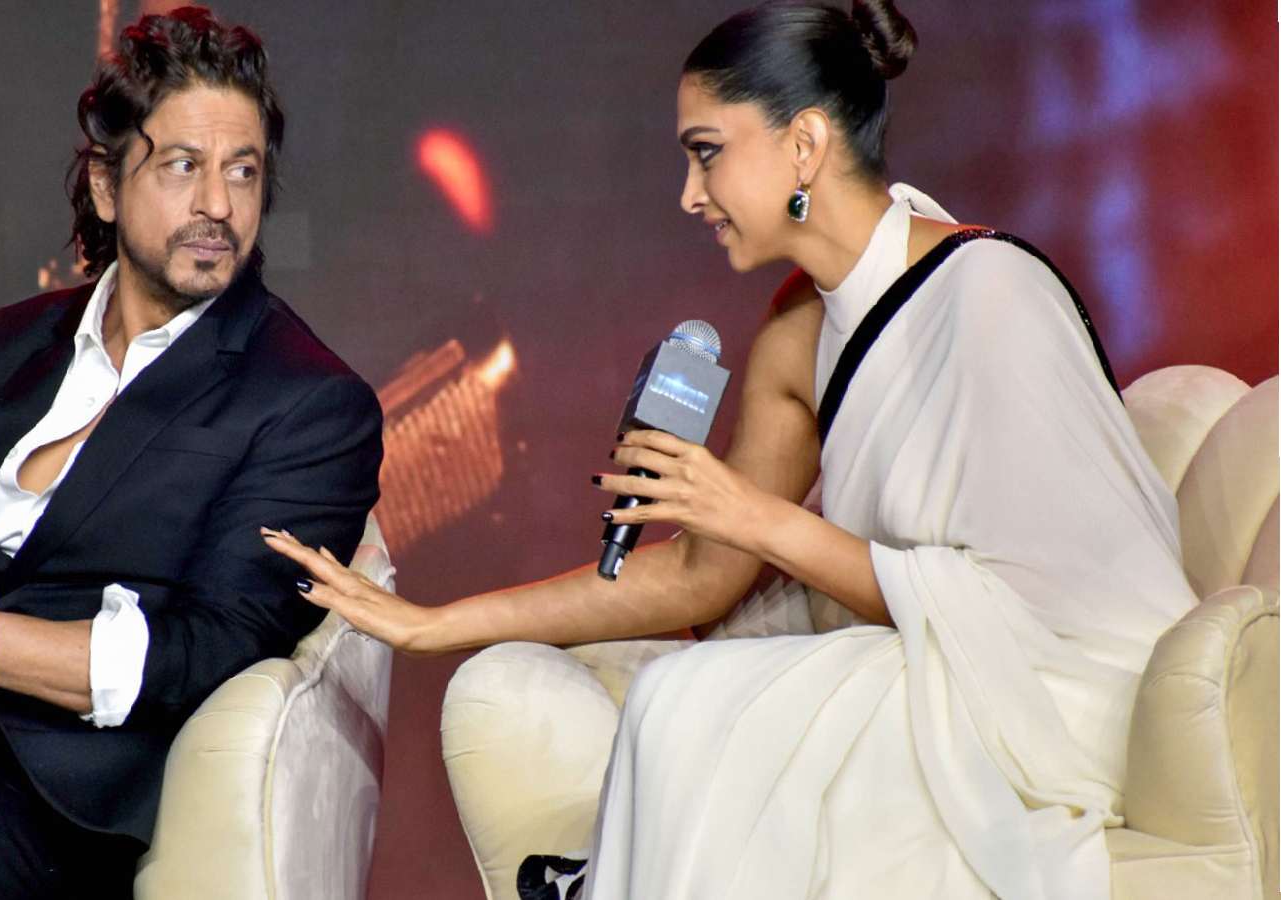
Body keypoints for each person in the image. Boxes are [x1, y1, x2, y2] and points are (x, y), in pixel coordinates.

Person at [266, 1, 1196, 898]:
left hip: (1053, 693)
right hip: (932, 662)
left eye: (707, 153)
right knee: (683, 699)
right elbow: (703, 575)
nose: (688, 195)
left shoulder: (988, 291)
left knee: (694, 710)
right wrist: (434, 624)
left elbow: (1034, 604)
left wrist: (754, 516)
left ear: (804, 144)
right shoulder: (798, 328)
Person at [0, 7, 382, 898]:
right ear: (105, 184)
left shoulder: (306, 403)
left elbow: (203, 652)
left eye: (243, 171)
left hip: (55, 806)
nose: (218, 205)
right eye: (183, 165)